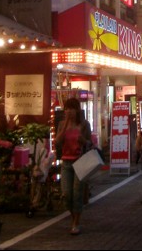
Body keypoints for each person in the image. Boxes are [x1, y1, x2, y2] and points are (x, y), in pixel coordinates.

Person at [56, 97, 91, 235]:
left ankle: (76, 222)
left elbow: (89, 143)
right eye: (67, 109)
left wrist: (83, 140)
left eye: (72, 108)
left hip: (80, 161)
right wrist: (65, 126)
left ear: (77, 110)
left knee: (77, 194)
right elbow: (58, 142)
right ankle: (73, 217)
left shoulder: (84, 125)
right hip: (66, 162)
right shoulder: (61, 124)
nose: (69, 111)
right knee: (66, 194)